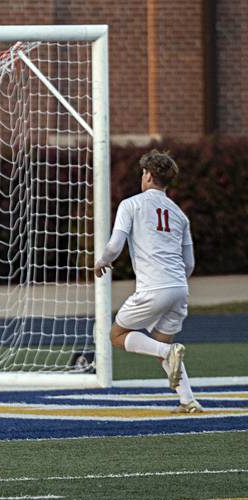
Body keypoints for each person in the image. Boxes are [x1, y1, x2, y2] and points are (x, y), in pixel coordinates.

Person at [94, 149, 201, 413]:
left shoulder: (131, 205)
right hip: (179, 288)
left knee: (117, 335)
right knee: (159, 345)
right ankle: (188, 401)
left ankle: (169, 352)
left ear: (149, 175)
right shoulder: (179, 215)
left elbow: (115, 244)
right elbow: (189, 264)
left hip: (153, 288)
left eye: (143, 172)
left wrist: (102, 261)